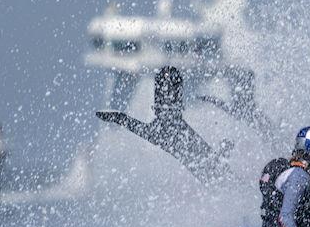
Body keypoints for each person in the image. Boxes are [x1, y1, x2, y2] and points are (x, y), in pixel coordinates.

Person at [96, 66, 234, 184]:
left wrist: (119, 118)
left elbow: (139, 127)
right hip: (218, 179)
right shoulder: (164, 130)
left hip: (217, 179)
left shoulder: (163, 131)